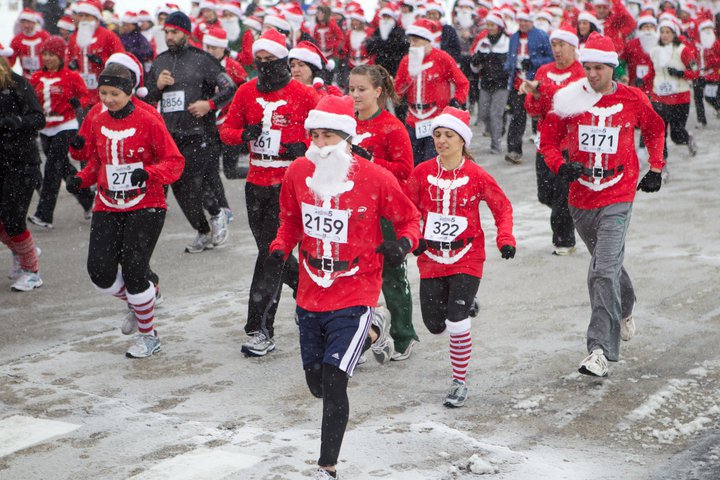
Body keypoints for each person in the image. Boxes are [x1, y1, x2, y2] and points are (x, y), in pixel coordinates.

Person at [266, 95, 421, 479]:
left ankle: (326, 466)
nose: (319, 145)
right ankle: (374, 331)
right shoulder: (298, 173)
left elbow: (410, 219)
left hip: (356, 290)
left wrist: (402, 245)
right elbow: (290, 220)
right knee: (316, 384)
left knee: (335, 383)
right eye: (314, 136)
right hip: (310, 291)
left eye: (328, 137)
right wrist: (279, 248)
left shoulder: (375, 177)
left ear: (348, 138)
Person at [539, 32, 666, 377]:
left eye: (598, 68)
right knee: (607, 266)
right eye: (588, 67)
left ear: (612, 68)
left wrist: (656, 167)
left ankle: (600, 351)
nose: (592, 74)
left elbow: (655, 129)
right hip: (581, 196)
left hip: (619, 193)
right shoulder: (569, 99)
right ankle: (625, 307)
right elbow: (547, 140)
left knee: (601, 271)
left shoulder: (632, 98)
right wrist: (561, 166)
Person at [65, 62, 184, 358]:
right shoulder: (97, 120)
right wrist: (80, 179)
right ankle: (141, 301)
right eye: (103, 92)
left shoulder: (148, 120)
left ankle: (149, 336)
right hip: (107, 202)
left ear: (129, 92)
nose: (107, 99)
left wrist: (149, 173)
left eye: (114, 93)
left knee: (134, 271)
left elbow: (174, 161)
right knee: (99, 272)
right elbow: (96, 162)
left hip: (146, 203)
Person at [406, 106, 516, 407]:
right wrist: (414, 237)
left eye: (449, 135)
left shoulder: (476, 175)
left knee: (456, 320)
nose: (442, 140)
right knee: (434, 324)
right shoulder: (422, 173)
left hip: (468, 256)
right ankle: (466, 305)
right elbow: (408, 211)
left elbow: (502, 208)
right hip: (431, 257)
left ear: (462, 141)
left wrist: (505, 238)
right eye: (438, 135)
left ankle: (459, 381)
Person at [219, 28, 319, 357]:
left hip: (290, 185)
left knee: (271, 255)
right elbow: (227, 131)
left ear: (285, 61)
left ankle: (260, 328)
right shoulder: (246, 92)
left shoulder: (303, 95)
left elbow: (327, 135)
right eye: (259, 60)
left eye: (271, 60)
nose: (264, 66)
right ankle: (310, 291)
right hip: (256, 183)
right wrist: (242, 133)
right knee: (270, 250)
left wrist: (300, 147)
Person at [145, 11, 236, 253]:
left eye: (174, 32)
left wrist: (210, 104)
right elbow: (145, 97)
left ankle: (217, 214)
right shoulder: (160, 61)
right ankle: (202, 230)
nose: (169, 36)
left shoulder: (202, 59)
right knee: (179, 187)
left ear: (186, 33)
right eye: (166, 32)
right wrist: (157, 86)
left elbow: (230, 87)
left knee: (196, 181)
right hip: (171, 135)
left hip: (199, 133)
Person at [349, 64, 418, 360]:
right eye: (351, 89)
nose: (354, 95)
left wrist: (372, 161)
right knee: (353, 275)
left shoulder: (392, 126)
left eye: (361, 89)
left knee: (392, 275)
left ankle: (404, 334)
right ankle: (360, 335)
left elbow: (406, 171)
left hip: (384, 212)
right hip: (352, 212)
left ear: (378, 92)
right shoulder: (344, 123)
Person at [521, 24, 586, 256]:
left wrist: (542, 89)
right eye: (554, 45)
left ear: (573, 47)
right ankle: (568, 212)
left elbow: (567, 99)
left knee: (561, 194)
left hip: (569, 143)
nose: (557, 50)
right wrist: (536, 94)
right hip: (545, 142)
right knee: (545, 195)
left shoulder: (581, 72)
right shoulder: (543, 71)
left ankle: (564, 241)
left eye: (562, 45)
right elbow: (532, 106)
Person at [28, 36, 93, 230]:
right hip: (46, 128)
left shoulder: (70, 76)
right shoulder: (36, 77)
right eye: (44, 54)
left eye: (51, 54)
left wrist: (76, 104)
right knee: (63, 167)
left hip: (66, 126)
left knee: (52, 168)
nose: (47, 58)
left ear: (60, 55)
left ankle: (44, 214)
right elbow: (31, 100)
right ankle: (89, 200)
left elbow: (85, 96)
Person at [0, 42, 45, 292]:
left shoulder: (18, 85)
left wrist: (14, 122)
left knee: (14, 220)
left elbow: (38, 118)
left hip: (22, 163)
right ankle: (21, 251)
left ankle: (32, 271)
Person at [395, 18, 469, 165]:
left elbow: (462, 83)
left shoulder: (442, 58)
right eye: (411, 40)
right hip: (413, 119)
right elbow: (398, 88)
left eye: (416, 40)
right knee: (411, 162)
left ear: (426, 40)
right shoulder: (406, 60)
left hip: (436, 118)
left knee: (431, 162)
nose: (412, 44)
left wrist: (456, 101)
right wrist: (399, 98)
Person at [503, 7, 553, 165]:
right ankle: (514, 150)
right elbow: (510, 58)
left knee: (541, 118)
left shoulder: (541, 36)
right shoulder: (514, 38)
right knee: (517, 117)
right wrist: (507, 67)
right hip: (518, 84)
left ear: (531, 21)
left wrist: (533, 62)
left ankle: (547, 149)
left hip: (536, 84)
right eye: (521, 21)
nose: (523, 24)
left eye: (526, 21)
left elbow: (551, 59)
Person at [649, 18, 699, 161]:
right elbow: (653, 72)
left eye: (668, 32)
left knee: (676, 135)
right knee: (660, 133)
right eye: (662, 32)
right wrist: (641, 82)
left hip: (679, 98)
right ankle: (661, 163)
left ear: (674, 34)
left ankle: (687, 139)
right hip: (659, 98)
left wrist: (680, 73)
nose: (664, 35)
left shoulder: (683, 50)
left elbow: (695, 72)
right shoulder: (655, 51)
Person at [66, 1, 126, 108]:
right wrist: (72, 65)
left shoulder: (108, 35)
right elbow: (67, 60)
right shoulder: (73, 38)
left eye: (87, 16)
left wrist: (102, 61)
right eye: (81, 15)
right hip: (81, 95)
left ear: (96, 17)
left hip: (103, 92)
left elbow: (121, 60)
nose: (83, 19)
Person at [470, 10, 510, 154]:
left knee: (495, 114)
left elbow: (512, 64)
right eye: (488, 24)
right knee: (483, 114)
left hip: (501, 85)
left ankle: (496, 145)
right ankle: (498, 127)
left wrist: (502, 68)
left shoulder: (508, 41)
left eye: (492, 24)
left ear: (499, 26)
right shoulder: (483, 41)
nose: (490, 27)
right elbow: (474, 67)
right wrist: (476, 61)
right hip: (485, 84)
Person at [365, 4, 408, 77]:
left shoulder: (400, 32)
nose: (385, 20)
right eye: (383, 17)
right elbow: (369, 48)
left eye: (388, 17)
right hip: (379, 68)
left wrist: (382, 44)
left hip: (395, 68)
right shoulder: (377, 32)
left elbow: (402, 48)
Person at [9, 8, 50, 79]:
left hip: (45, 76)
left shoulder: (44, 36)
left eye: (28, 22)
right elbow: (10, 61)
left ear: (34, 23)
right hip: (26, 78)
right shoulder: (17, 40)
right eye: (23, 22)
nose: (26, 25)